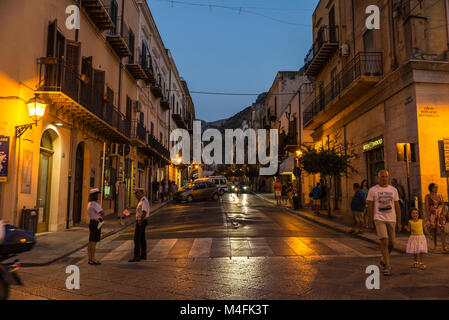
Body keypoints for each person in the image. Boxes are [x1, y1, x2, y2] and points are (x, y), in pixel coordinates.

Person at [367, 170, 402, 276]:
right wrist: (370, 220)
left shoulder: (393, 190)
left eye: (386, 177)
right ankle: (387, 266)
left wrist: (399, 221)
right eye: (382, 177)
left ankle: (383, 259)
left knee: (392, 243)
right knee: (384, 242)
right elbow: (369, 206)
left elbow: (397, 205)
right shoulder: (373, 190)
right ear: (378, 178)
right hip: (379, 218)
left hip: (391, 219)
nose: (384, 178)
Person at [424, 183, 448, 251]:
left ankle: (444, 246)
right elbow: (426, 207)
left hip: (440, 214)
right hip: (433, 215)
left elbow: (443, 204)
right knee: (433, 230)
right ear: (431, 188)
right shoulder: (427, 196)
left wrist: (444, 212)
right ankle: (435, 245)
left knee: (442, 229)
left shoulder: (440, 196)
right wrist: (427, 217)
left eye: (437, 187)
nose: (436, 188)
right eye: (435, 187)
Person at [129, 189, 150, 262]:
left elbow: (144, 212)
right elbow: (140, 211)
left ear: (141, 193)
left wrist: (140, 220)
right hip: (141, 220)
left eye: (137, 194)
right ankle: (143, 255)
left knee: (137, 238)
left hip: (141, 221)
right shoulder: (141, 201)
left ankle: (137, 256)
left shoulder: (144, 201)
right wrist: (130, 213)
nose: (136, 196)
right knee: (142, 238)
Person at [87, 188, 104, 265]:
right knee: (93, 242)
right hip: (96, 223)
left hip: (92, 222)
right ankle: (93, 259)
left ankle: (90, 258)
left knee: (91, 241)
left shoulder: (89, 203)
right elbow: (102, 212)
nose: (98, 195)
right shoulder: (94, 204)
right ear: (94, 195)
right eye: (97, 194)